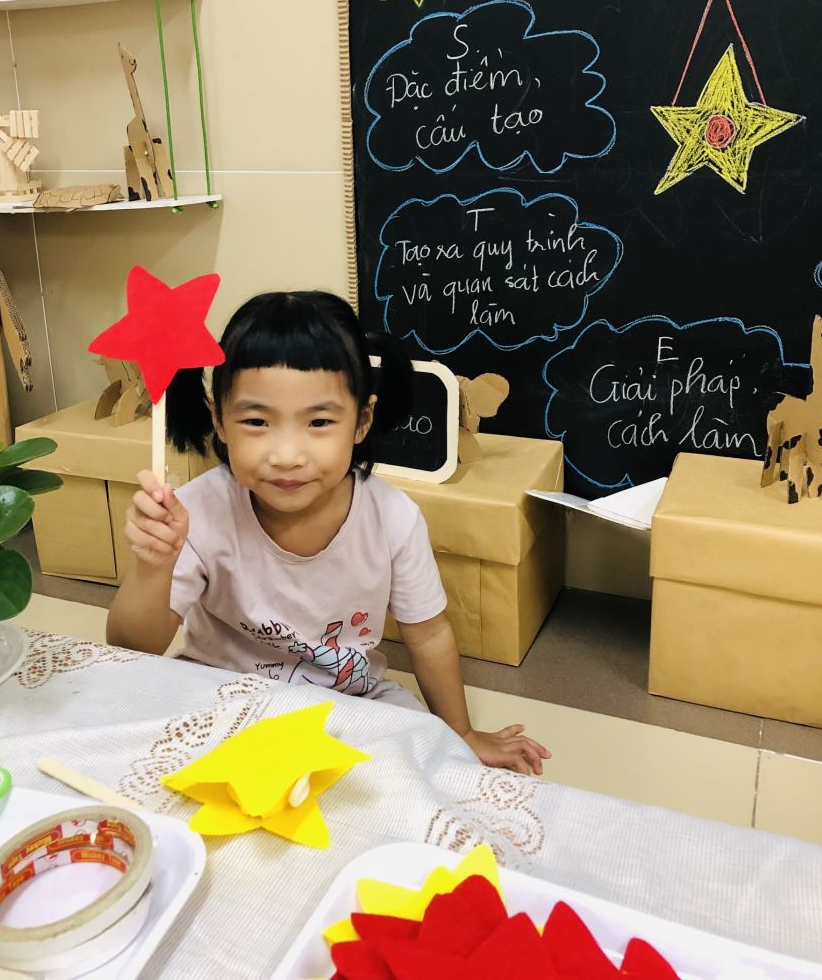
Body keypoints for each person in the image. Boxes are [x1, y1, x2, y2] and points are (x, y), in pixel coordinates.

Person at [107, 290, 550, 775]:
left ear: (361, 421)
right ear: (220, 421)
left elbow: (428, 635)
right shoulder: (196, 511)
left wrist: (460, 733)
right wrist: (153, 567)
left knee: (423, 758)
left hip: (347, 700)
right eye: (256, 421)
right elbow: (132, 649)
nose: (287, 455)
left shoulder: (392, 518)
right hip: (222, 695)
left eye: (319, 421)